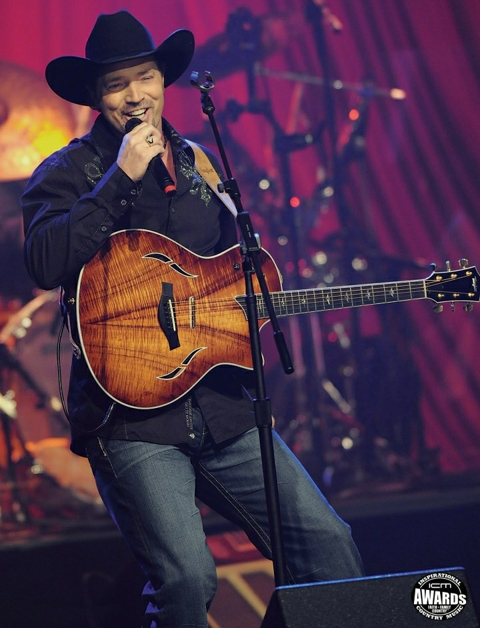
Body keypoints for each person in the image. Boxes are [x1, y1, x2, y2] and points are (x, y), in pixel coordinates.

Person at [21, 10, 364, 627]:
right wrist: (120, 178)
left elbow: (229, 280)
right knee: (186, 578)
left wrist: (248, 356)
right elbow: (44, 262)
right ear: (97, 97)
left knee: (328, 546)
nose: (135, 95)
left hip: (222, 405)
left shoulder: (201, 163)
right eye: (117, 84)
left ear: (163, 81)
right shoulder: (66, 173)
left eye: (146, 77)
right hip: (131, 421)